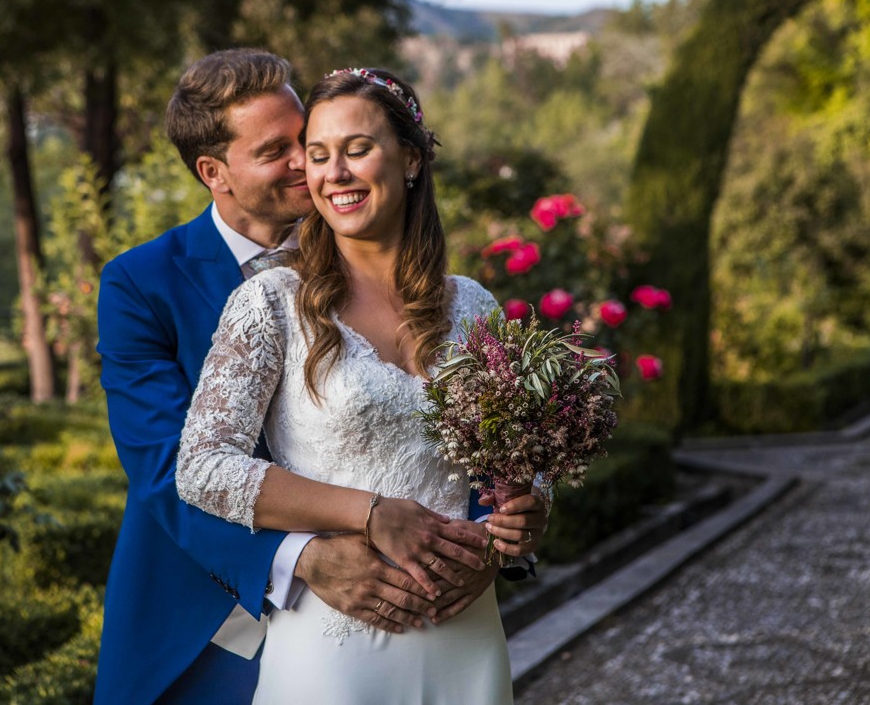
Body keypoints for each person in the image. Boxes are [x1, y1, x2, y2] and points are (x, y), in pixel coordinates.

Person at [95, 50, 547, 704]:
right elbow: (169, 470)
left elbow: (479, 449)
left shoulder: (418, 266)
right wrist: (301, 558)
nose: (309, 165)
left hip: (435, 615)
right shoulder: (144, 284)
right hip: (212, 618)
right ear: (213, 173)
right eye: (281, 150)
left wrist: (494, 531)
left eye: (304, 139)